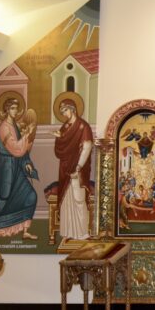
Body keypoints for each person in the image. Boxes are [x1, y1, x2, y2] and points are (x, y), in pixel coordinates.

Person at [0, 98, 39, 243]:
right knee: (4, 198)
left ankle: (25, 231)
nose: (15, 111)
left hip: (17, 167)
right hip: (7, 168)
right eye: (12, 108)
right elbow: (16, 148)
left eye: (16, 108)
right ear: (6, 110)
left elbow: (21, 152)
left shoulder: (14, 125)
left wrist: (27, 162)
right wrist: (26, 135)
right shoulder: (4, 127)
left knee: (30, 195)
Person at [54, 99, 93, 242]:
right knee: (66, 200)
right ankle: (68, 232)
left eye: (65, 110)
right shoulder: (65, 127)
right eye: (62, 112)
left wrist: (78, 166)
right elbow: (60, 151)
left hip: (78, 169)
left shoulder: (83, 126)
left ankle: (82, 233)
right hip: (65, 168)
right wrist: (59, 138)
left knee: (78, 198)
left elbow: (87, 147)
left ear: (73, 109)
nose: (64, 114)